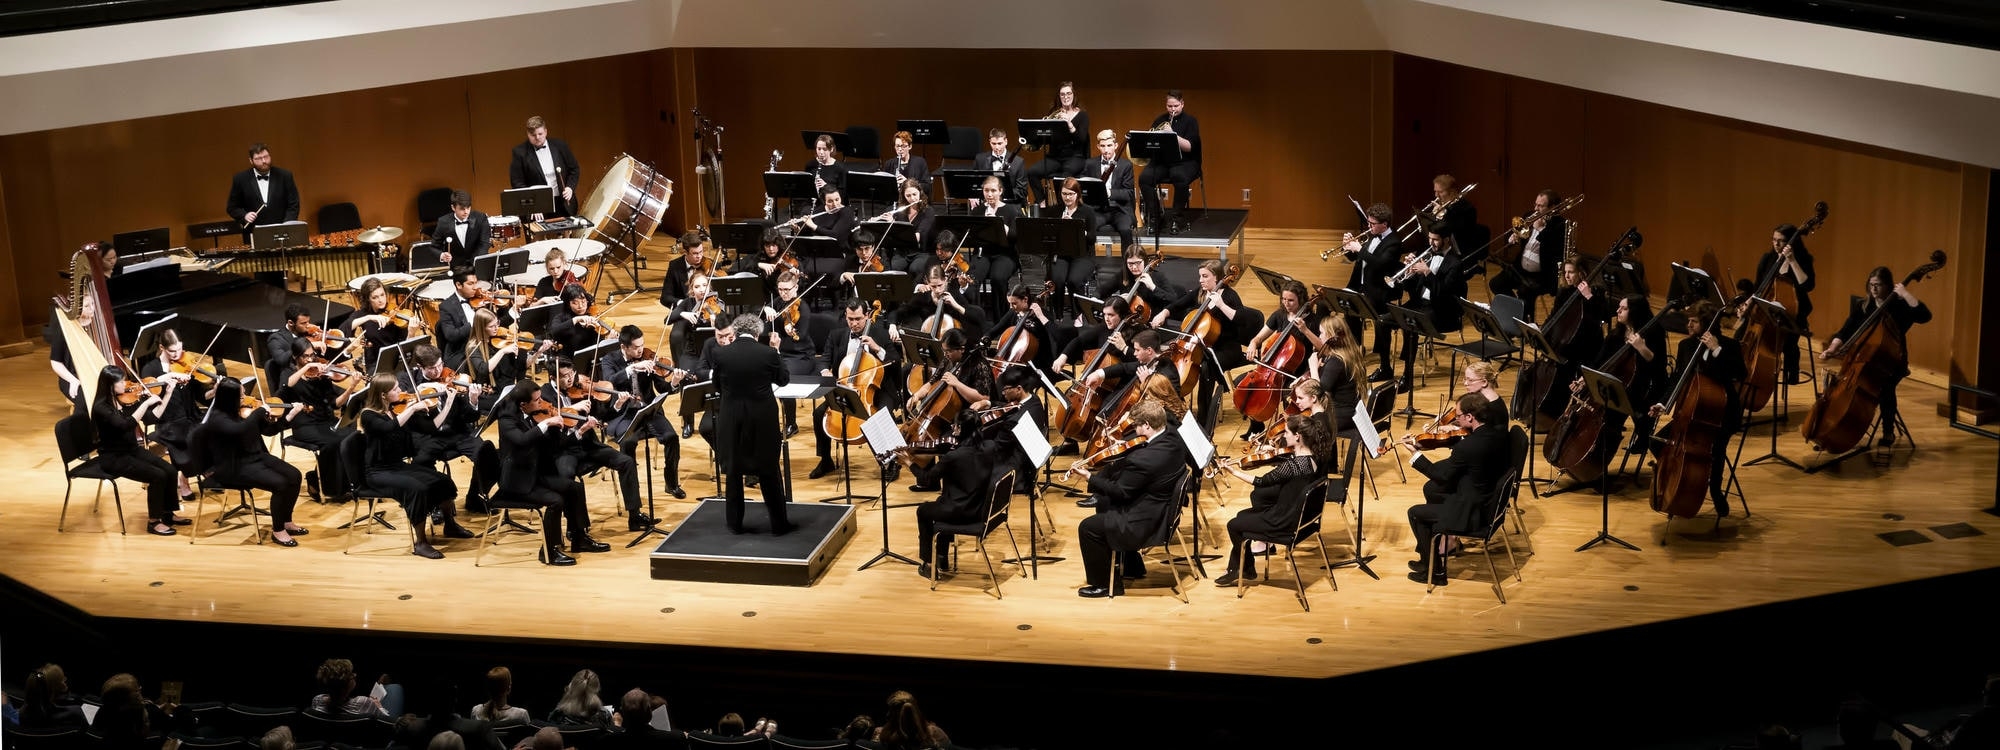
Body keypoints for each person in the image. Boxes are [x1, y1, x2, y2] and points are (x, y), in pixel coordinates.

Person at [1071, 400, 1187, 597]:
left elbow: (1121, 492)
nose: (1134, 430)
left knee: (1088, 527)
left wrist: (1090, 477)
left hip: (1147, 520)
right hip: (1163, 507)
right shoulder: (1172, 436)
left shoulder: (1142, 460)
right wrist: (1126, 447)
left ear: (1147, 426)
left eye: (1136, 426)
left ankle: (1106, 585)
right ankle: (1132, 565)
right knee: (1105, 503)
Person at [1647, 301, 1746, 518]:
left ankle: (1715, 490)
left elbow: (1740, 374)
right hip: (1691, 414)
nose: (1688, 325)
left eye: (1693, 321)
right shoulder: (1686, 346)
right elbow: (1678, 379)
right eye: (1688, 320)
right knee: (1656, 442)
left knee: (1715, 451)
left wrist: (1716, 350)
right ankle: (1679, 481)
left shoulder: (1729, 346)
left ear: (1708, 324)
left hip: (1721, 415)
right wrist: (1664, 403)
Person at [1399, 393, 1511, 585]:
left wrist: (1415, 454)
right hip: (1488, 499)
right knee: (1432, 490)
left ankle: (1436, 573)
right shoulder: (1496, 434)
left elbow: (1442, 475)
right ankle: (1430, 557)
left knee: (1415, 513)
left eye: (1458, 416)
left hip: (1473, 512)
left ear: (1470, 417)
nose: (1456, 420)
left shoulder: (1468, 447)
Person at [357, 374, 471, 558]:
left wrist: (448, 402)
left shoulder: (398, 409)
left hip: (397, 466)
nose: (401, 391)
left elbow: (432, 427)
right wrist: (411, 409)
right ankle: (420, 542)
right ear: (383, 395)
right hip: (378, 472)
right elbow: (388, 428)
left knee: (442, 481)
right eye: (395, 389)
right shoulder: (368, 415)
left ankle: (450, 525)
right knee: (417, 489)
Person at [1216, 413, 1336, 586]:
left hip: (1282, 522)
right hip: (1302, 520)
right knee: (1242, 515)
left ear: (1298, 436)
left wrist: (1233, 472)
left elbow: (1261, 482)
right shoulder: (1313, 459)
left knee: (1233, 525)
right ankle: (1243, 568)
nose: (1283, 435)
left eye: (1286, 432)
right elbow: (1288, 468)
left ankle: (1243, 569)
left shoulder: (1292, 466)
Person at [1823, 266, 1932, 448]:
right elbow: (1846, 330)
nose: (1873, 289)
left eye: (1878, 285)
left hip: (1892, 362)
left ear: (1889, 286)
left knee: (1885, 390)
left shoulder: (1900, 306)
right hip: (1865, 359)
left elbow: (1925, 316)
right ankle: (1839, 425)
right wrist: (1832, 348)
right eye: (1871, 285)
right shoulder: (1864, 306)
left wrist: (1905, 293)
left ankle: (1888, 431)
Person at [196, 377, 308, 545]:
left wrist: (290, 416)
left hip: (256, 457)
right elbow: (240, 431)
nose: (246, 398)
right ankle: (278, 531)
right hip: (235, 465)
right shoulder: (217, 418)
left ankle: (286, 521)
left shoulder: (246, 410)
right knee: (281, 484)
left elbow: (269, 431)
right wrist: (258, 413)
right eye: (241, 396)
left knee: (294, 475)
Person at [711, 314, 795, 534]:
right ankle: (779, 525)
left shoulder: (720, 353)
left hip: (731, 419)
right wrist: (776, 351)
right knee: (769, 471)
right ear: (757, 333)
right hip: (762, 419)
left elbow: (717, 385)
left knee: (734, 473)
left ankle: (734, 525)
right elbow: (783, 380)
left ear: (736, 332)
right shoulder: (767, 353)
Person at [493, 381, 590, 566]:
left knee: (574, 488)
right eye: (537, 400)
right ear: (523, 404)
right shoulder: (507, 419)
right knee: (556, 500)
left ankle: (579, 538)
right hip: (517, 481)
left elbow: (551, 448)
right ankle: (549, 551)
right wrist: (547, 423)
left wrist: (568, 430)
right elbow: (522, 441)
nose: (542, 403)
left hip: (536, 473)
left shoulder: (535, 414)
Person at [899, 410, 1005, 577]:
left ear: (960, 429)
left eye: (955, 426)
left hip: (961, 512)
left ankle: (928, 563)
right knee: (943, 503)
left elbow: (926, 479)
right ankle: (941, 557)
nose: (952, 428)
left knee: (924, 510)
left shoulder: (953, 457)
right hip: (981, 509)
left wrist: (908, 462)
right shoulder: (990, 447)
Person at [400, 345, 498, 513]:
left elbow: (470, 417)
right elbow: (400, 400)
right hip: (427, 435)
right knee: (420, 463)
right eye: (432, 368)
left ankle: (475, 498)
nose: (438, 371)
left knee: (487, 455)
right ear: (420, 367)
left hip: (457, 432)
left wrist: (473, 400)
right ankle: (436, 503)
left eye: (440, 365)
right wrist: (419, 390)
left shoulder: (453, 378)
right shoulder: (408, 379)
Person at [598, 324, 689, 504]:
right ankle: (634, 499)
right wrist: (632, 369)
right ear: (624, 347)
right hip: (624, 414)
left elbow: (662, 388)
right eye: (636, 347)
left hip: (648, 410)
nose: (641, 351)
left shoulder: (649, 357)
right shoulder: (609, 360)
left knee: (671, 437)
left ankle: (671, 483)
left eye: (642, 345)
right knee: (628, 443)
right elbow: (609, 382)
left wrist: (674, 383)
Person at [90, 366, 184, 536]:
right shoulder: (101, 408)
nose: (125, 383)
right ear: (110, 385)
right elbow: (126, 425)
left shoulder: (127, 399)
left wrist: (168, 394)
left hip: (131, 450)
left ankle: (167, 513)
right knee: (157, 476)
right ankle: (154, 522)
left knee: (169, 470)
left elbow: (152, 417)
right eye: (120, 381)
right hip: (113, 457)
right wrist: (147, 402)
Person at [814, 300, 901, 481]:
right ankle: (825, 460)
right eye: (850, 319)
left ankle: (890, 461)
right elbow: (823, 360)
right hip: (848, 387)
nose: (854, 323)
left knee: (881, 415)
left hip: (880, 388)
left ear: (867, 316)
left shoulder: (881, 334)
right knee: (819, 413)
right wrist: (825, 371)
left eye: (858, 319)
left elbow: (896, 362)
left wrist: (877, 349)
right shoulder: (837, 335)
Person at [1164, 259, 1249, 431]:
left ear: (1217, 278)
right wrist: (1164, 313)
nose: (1201, 280)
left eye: (1205, 276)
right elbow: (1179, 303)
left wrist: (1221, 305)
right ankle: (1173, 408)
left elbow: (1241, 321)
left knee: (1206, 368)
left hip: (1227, 348)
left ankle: (1203, 421)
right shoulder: (1201, 293)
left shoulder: (1229, 296)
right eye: (1200, 276)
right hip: (1204, 347)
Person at [279, 337, 364, 502]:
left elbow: (335, 404)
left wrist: (352, 388)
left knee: (352, 437)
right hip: (304, 424)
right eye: (305, 356)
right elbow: (287, 385)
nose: (311, 359)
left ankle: (346, 484)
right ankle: (329, 487)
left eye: (312, 355)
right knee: (333, 442)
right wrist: (308, 367)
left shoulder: (322, 375)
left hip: (325, 420)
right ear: (296, 357)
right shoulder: (288, 373)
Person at [1392, 227, 1471, 393]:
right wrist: (1409, 273)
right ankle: (1386, 367)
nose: (1431, 243)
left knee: (1410, 325)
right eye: (1429, 238)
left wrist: (1427, 273)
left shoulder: (1455, 263)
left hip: (1443, 310)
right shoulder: (1427, 255)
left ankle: (1408, 376)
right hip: (1421, 303)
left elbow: (1443, 294)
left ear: (1447, 239)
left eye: (1435, 239)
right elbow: (1412, 289)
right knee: (1388, 317)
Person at [762, 270, 825, 435]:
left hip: (801, 355)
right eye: (780, 289)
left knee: (783, 377)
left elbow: (801, 335)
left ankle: (791, 423)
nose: (783, 293)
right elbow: (765, 330)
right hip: (780, 354)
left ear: (796, 288)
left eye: (787, 290)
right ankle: (768, 421)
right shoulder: (775, 303)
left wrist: (790, 331)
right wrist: (766, 311)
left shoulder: (802, 307)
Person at [1490, 189, 1565, 320]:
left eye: (1541, 206)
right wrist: (1513, 237)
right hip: (1520, 268)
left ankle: (1525, 330)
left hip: (1542, 276)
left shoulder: (1560, 225)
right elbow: (1516, 231)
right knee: (1496, 283)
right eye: (1536, 204)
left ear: (1552, 208)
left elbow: (1553, 249)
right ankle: (1515, 310)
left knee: (1525, 292)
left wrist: (1540, 229)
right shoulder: (1530, 215)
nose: (1536, 208)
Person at [1756, 222, 1817, 383]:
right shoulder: (1767, 259)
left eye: (1781, 240)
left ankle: (1792, 369)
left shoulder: (1803, 259)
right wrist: (1747, 304)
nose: (1776, 244)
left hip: (1794, 312)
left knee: (1788, 341)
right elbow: (1758, 287)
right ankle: (1756, 368)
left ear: (1791, 242)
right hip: (1770, 310)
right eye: (1774, 239)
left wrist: (1792, 261)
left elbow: (1807, 285)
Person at [1137, 89, 1202, 233]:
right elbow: (1151, 143)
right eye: (1169, 106)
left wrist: (1171, 135)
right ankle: (1156, 217)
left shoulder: (1191, 121)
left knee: (1179, 177)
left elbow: (1189, 147)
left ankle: (1176, 219)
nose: (1172, 109)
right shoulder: (1160, 120)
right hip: (1163, 161)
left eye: (1176, 106)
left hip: (1186, 161)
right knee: (1145, 178)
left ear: (1182, 104)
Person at [1025, 81, 1091, 207]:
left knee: (1064, 176)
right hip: (1055, 157)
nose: (1066, 97)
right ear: (1059, 97)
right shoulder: (1054, 113)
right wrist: (1044, 129)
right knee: (1032, 172)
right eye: (1062, 94)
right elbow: (1048, 139)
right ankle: (1043, 203)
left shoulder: (1083, 116)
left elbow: (1081, 139)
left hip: (1075, 157)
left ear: (1073, 95)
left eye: (1068, 93)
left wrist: (1069, 124)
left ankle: (1062, 208)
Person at [508, 116, 582, 217]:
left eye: (540, 134)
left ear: (546, 132)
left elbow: (574, 169)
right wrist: (532, 206)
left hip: (564, 203)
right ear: (528, 134)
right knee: (541, 232)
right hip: (538, 206)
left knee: (567, 232)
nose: (537, 137)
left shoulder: (560, 146)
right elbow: (517, 183)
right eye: (533, 135)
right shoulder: (519, 153)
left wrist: (570, 188)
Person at [226, 142, 301, 240]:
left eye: (266, 156)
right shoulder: (240, 179)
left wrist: (286, 226)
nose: (264, 161)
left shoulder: (285, 176)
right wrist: (244, 215)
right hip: (254, 234)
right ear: (251, 161)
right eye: (258, 159)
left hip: (282, 233)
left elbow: (293, 205)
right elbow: (232, 207)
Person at [966, 174, 1024, 298]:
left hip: (1005, 254)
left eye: (993, 190)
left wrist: (1000, 225)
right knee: (972, 279)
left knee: (998, 278)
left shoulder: (1011, 211)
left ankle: (1001, 315)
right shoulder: (977, 211)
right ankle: (975, 313)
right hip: (983, 253)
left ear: (1000, 191)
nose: (989, 194)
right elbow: (971, 237)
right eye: (986, 190)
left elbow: (1016, 237)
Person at [1048, 177, 1104, 296]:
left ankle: (1078, 313)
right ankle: (1058, 314)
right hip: (1062, 253)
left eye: (1070, 194)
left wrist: (1076, 227)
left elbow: (1091, 239)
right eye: (1064, 194)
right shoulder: (1055, 211)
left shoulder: (1087, 211)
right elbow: (1050, 236)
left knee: (1074, 281)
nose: (1067, 197)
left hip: (1082, 255)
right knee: (1057, 280)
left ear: (1077, 194)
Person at [1088, 129, 1137, 249]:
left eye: (1109, 145)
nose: (1106, 150)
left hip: (1119, 210)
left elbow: (1128, 193)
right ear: (1098, 146)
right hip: (1098, 210)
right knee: (1087, 229)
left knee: (1125, 230)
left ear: (1115, 146)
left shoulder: (1126, 165)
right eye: (1103, 146)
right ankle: (1088, 265)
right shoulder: (1089, 164)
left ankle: (1128, 265)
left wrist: (1109, 193)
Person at [434, 267, 485, 370]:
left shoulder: (482, 300)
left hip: (483, 345)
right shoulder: (446, 306)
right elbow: (451, 335)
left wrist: (513, 310)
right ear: (458, 285)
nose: (475, 288)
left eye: (476, 283)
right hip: (461, 351)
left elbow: (496, 325)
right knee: (480, 365)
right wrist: (472, 323)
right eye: (470, 284)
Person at [884, 180, 937, 274]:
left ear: (920, 192)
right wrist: (890, 224)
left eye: (914, 194)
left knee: (915, 268)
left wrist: (896, 226)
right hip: (903, 251)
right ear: (903, 196)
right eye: (908, 196)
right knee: (895, 267)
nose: (912, 198)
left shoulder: (928, 211)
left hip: (921, 251)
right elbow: (894, 237)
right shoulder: (900, 212)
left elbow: (917, 237)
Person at [430, 190, 492, 269]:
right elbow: (434, 247)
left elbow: (484, 243)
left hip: (477, 265)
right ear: (453, 207)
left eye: (468, 208)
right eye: (462, 209)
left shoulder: (481, 218)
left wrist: (473, 264)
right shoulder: (443, 222)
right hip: (456, 268)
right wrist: (442, 255)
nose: (466, 212)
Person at [313, 658, 392, 717]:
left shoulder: (317, 700)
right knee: (395, 688)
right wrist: (379, 707)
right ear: (345, 687)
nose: (355, 675)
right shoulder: (363, 702)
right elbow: (386, 720)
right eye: (351, 675)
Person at [20, 664, 88, 730]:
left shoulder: (22, 715)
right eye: (62, 679)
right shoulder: (75, 713)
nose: (65, 680)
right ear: (60, 687)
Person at [971, 128, 1027, 207]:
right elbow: (973, 183)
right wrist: (973, 196)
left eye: (999, 143)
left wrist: (999, 195)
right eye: (994, 144)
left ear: (1006, 141)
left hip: (1009, 204)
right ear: (989, 142)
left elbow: (1022, 191)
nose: (997, 147)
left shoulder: (1018, 162)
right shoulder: (980, 159)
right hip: (986, 204)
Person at [1424, 174, 1477, 253]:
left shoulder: (1467, 208)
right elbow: (1434, 233)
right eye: (1435, 191)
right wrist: (1426, 222)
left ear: (1452, 192)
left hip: (1459, 251)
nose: (1436, 195)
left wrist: (1443, 215)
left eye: (1440, 192)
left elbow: (1458, 233)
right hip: (1439, 248)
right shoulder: (1440, 205)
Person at [659, 230, 713, 308]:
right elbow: (665, 297)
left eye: (701, 252)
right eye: (695, 253)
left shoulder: (709, 264)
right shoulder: (675, 266)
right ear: (685, 252)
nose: (699, 256)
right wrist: (682, 304)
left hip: (707, 309)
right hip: (684, 312)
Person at [547, 670, 612, 729]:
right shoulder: (604, 716)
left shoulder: (558, 714)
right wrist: (617, 725)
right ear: (597, 690)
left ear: (571, 687)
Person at [882, 130, 930, 197]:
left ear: (910, 146)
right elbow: (884, 188)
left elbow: (927, 187)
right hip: (895, 201)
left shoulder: (920, 162)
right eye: (897, 146)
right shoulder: (889, 164)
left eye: (903, 146)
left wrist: (908, 183)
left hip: (915, 202)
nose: (900, 149)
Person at [802, 133, 848, 204]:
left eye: (824, 149)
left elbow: (842, 195)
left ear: (831, 149)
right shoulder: (810, 165)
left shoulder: (840, 168)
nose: (821, 152)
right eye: (819, 149)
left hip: (832, 205)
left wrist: (826, 186)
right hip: (814, 203)